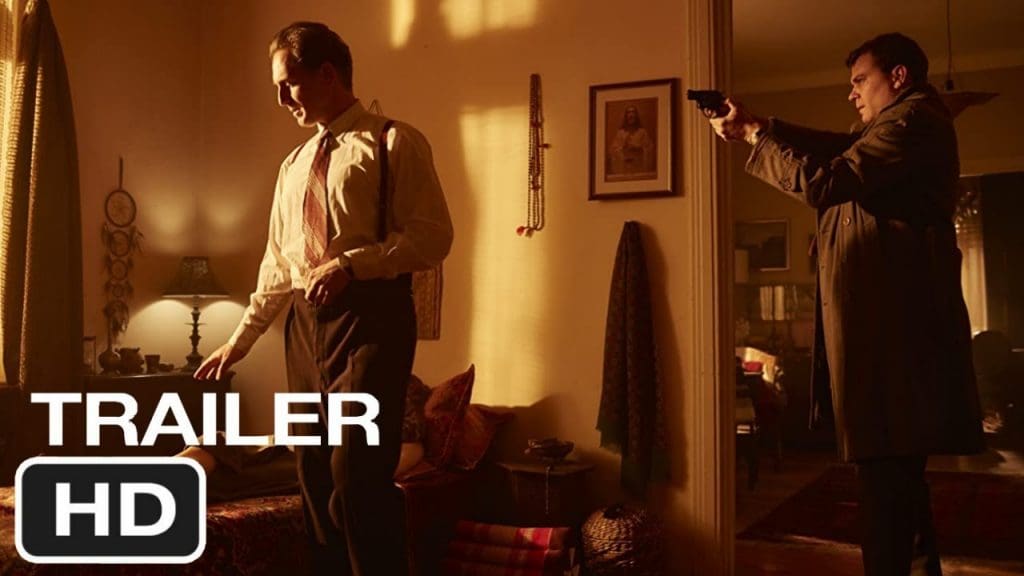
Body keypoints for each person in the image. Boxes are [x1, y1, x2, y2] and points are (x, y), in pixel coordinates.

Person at [707, 33, 983, 576]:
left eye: (860, 80)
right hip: (891, 331)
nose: (851, 93)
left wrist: (756, 135)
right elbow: (838, 147)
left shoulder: (913, 122)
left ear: (898, 77)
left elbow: (826, 180)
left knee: (885, 484)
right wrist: (763, 125)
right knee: (896, 482)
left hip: (893, 337)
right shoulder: (891, 127)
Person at [194, 21, 453, 576]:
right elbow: (277, 266)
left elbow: (433, 238)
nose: (280, 99)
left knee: (356, 474)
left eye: (288, 83)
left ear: (327, 74)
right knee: (312, 474)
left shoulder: (392, 143)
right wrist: (238, 343)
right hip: (305, 328)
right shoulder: (292, 167)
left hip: (373, 319)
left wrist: (353, 264)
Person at [608, 104, 654, 176]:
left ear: (636, 115)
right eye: (629, 112)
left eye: (633, 112)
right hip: (624, 168)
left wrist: (640, 149)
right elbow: (613, 151)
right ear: (626, 116)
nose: (631, 115)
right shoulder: (620, 133)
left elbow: (650, 149)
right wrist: (622, 148)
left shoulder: (642, 132)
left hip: (639, 168)